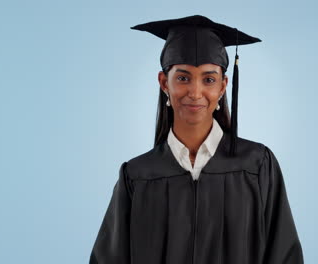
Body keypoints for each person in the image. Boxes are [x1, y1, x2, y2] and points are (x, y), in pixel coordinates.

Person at [90, 14, 304, 264]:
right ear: (164, 83)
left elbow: (284, 255)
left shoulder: (257, 165)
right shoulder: (137, 176)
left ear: (223, 87)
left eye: (209, 79)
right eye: (182, 78)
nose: (195, 92)